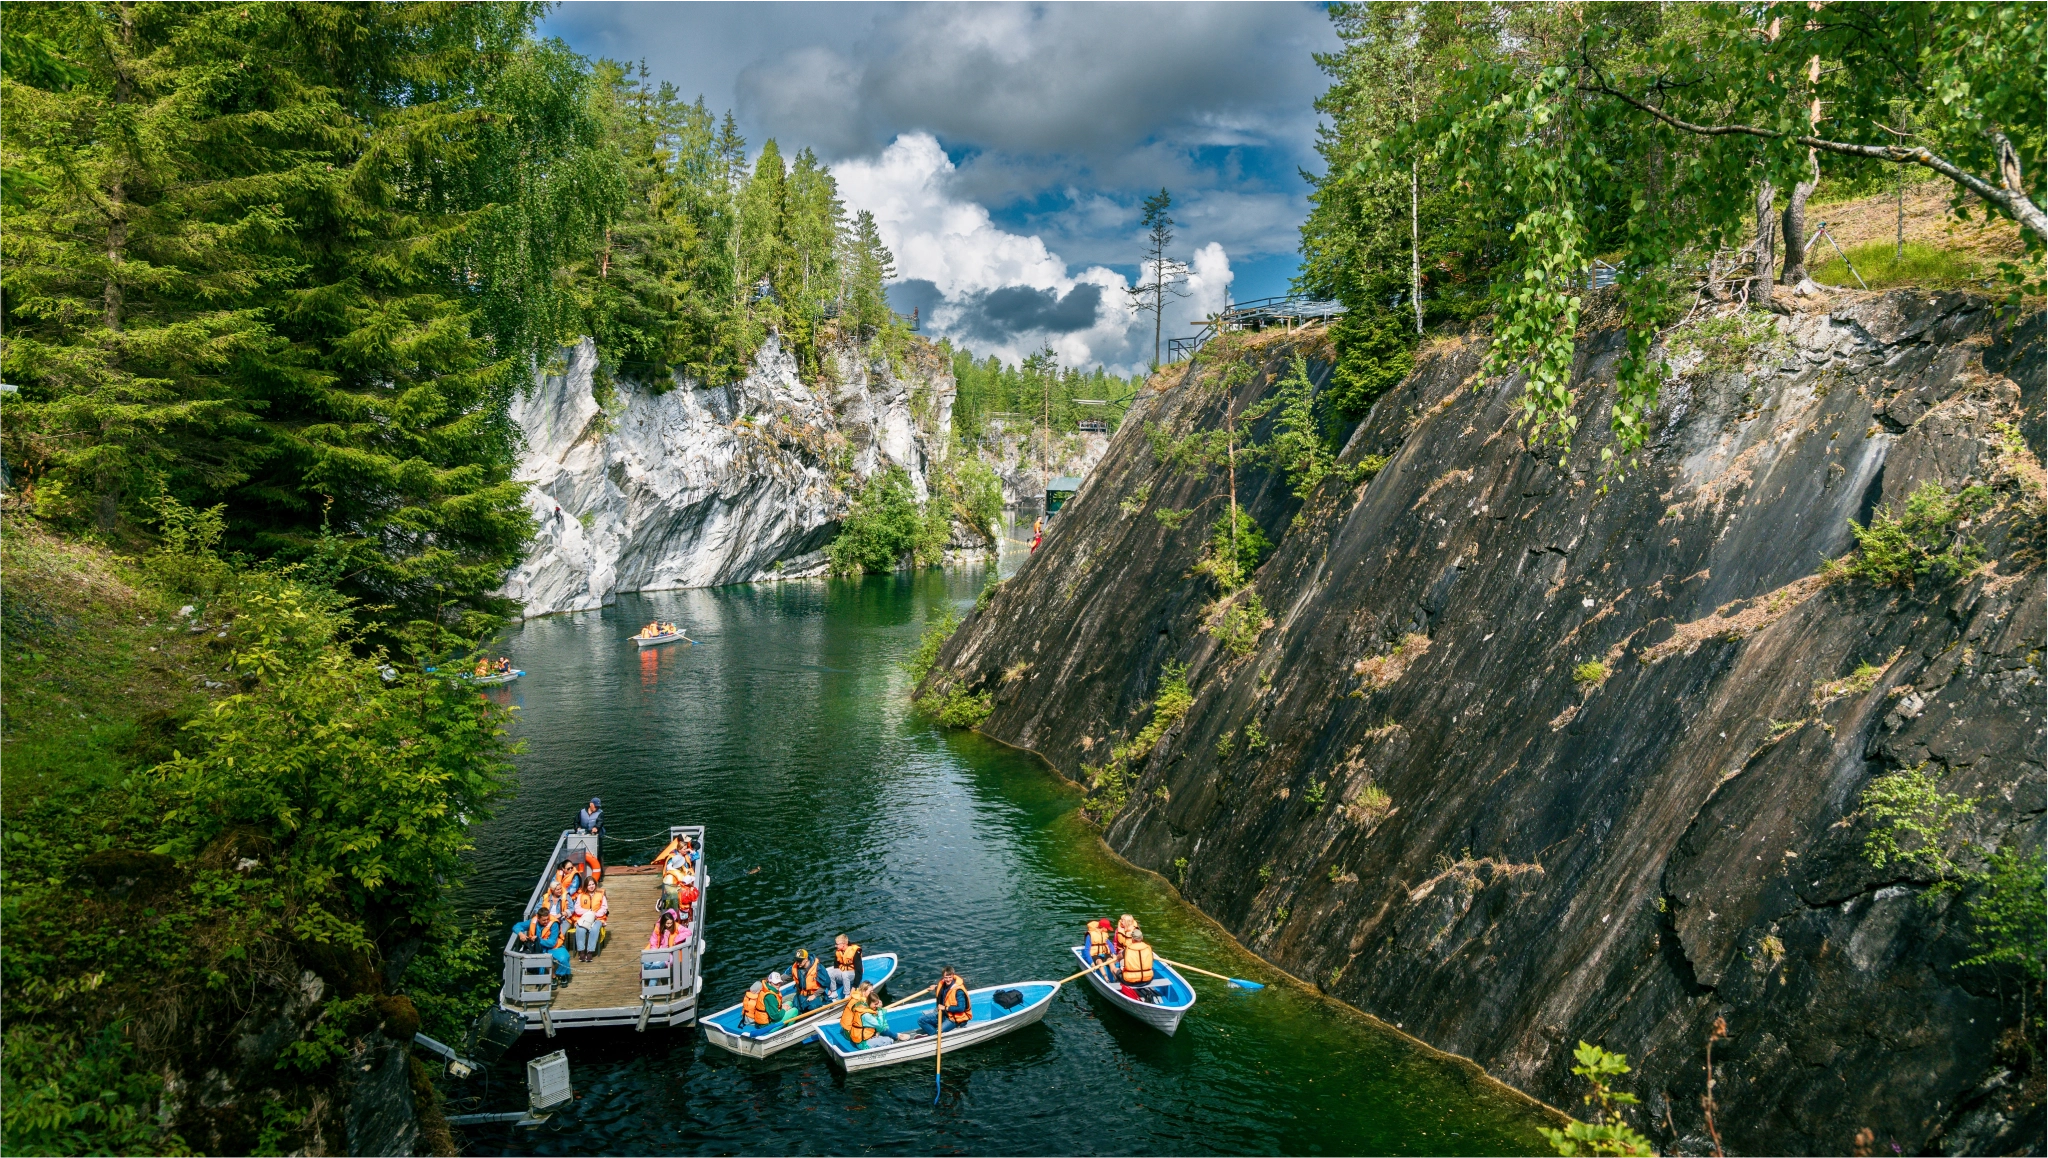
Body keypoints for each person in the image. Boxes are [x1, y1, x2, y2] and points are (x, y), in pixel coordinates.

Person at [916, 967, 971, 1037]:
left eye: (950, 977)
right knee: (921, 1020)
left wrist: (945, 1008)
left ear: (953, 975)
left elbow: (961, 1008)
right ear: (943, 977)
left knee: (938, 1031)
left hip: (954, 1019)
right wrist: (935, 987)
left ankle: (932, 1035)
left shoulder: (958, 991)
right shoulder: (943, 984)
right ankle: (932, 1034)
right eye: (946, 977)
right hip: (944, 1014)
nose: (948, 980)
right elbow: (943, 991)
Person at [840, 982, 885, 1048]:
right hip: (851, 1034)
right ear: (864, 991)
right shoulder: (860, 1004)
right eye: (870, 991)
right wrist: (879, 1009)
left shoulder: (857, 997)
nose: (872, 992)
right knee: (880, 1025)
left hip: (845, 1029)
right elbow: (869, 1016)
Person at [572, 883, 608, 962]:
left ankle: (590, 952)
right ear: (586, 886)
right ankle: (581, 951)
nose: (591, 886)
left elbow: (604, 908)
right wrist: (588, 912)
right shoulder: (580, 896)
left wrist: (595, 914)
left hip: (598, 918)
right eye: (589, 885)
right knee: (580, 929)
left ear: (595, 885)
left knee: (595, 929)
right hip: (583, 918)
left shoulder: (601, 895)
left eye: (593, 884)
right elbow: (577, 909)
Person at [1119, 929, 1157, 1000]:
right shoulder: (1148, 948)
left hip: (1130, 981)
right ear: (1142, 938)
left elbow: (1119, 957)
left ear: (1132, 939)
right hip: (1147, 979)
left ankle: (1122, 988)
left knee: (1117, 971)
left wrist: (1117, 959)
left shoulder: (1127, 949)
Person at [826, 934, 864, 1001]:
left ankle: (847, 994)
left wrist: (854, 987)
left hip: (852, 975)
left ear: (843, 944)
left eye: (837, 944)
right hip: (843, 974)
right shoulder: (838, 952)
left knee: (845, 974)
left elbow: (859, 970)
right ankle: (833, 991)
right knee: (830, 972)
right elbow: (836, 966)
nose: (835, 946)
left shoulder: (855, 952)